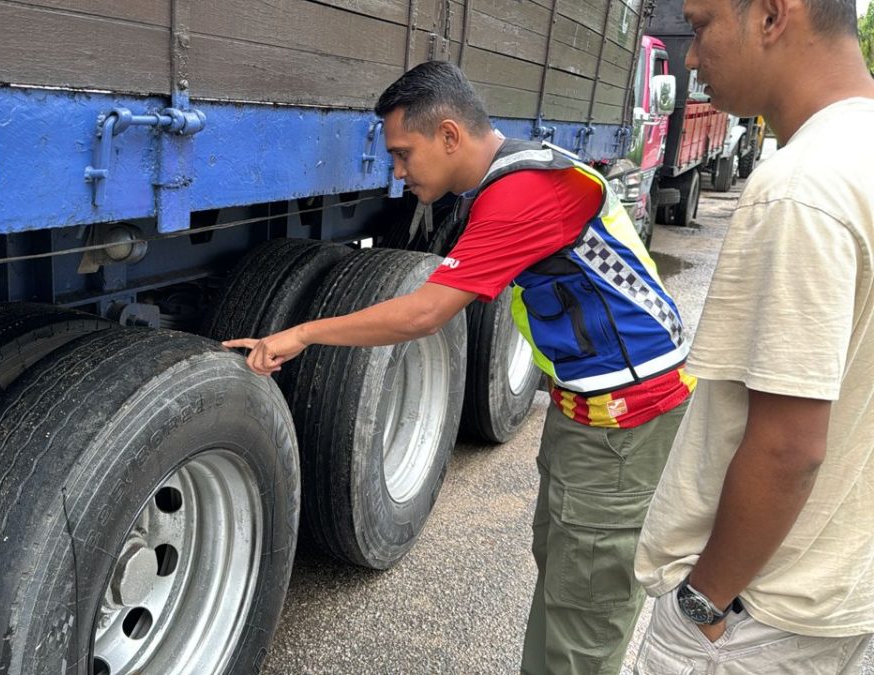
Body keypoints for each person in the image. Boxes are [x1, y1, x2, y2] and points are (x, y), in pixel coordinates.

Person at [223, 60, 695, 675]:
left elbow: (425, 314)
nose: (396, 172)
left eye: (403, 152)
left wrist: (303, 333)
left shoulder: (521, 193)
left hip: (626, 420)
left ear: (449, 135)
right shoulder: (522, 171)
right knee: (565, 576)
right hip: (596, 408)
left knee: (585, 610)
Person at [632, 0, 874, 672]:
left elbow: (788, 446)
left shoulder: (802, 186)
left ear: (771, 16)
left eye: (702, 24)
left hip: (754, 619)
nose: (689, 55)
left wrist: (703, 604)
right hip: (839, 594)